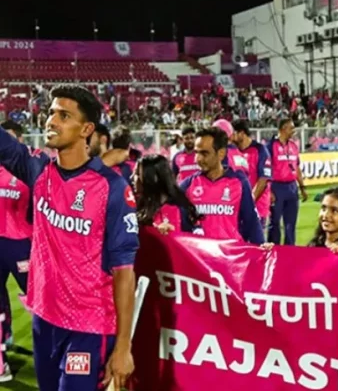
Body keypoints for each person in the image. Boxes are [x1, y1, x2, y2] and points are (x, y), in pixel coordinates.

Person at [0, 86, 139, 390]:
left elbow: (125, 273)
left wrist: (123, 346)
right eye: (51, 113)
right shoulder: (39, 173)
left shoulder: (112, 188)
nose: (51, 121)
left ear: (86, 129)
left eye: (64, 115)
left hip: (88, 326)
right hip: (44, 319)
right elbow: (4, 146)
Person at [179, 127, 264, 244]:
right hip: (200, 259)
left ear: (221, 153)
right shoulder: (187, 186)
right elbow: (179, 223)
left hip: (230, 259)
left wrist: (262, 249)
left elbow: (252, 222)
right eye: (196, 152)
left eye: (204, 153)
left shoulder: (239, 182)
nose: (197, 159)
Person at [0, 121, 32, 383]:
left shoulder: (30, 169)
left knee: (38, 302)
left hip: (24, 245)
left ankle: (55, 352)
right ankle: (1, 360)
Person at [133, 154, 204, 234]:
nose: (132, 177)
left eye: (137, 174)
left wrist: (170, 236)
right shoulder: (137, 205)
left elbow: (190, 241)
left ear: (151, 179)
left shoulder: (180, 209)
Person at [267, 118, 308, 245]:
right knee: (275, 222)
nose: (293, 131)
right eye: (291, 128)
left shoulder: (294, 146)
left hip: (292, 187)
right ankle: (274, 250)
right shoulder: (270, 146)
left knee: (291, 223)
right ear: (283, 128)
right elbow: (266, 170)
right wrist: (269, 191)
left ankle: (290, 251)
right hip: (276, 187)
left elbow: (297, 168)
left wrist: (302, 187)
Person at [232, 120, 272, 231]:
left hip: (257, 207)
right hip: (236, 209)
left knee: (256, 245)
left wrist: (248, 202)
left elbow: (263, 181)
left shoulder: (260, 150)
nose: (230, 137)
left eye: (233, 133)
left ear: (241, 133)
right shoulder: (232, 151)